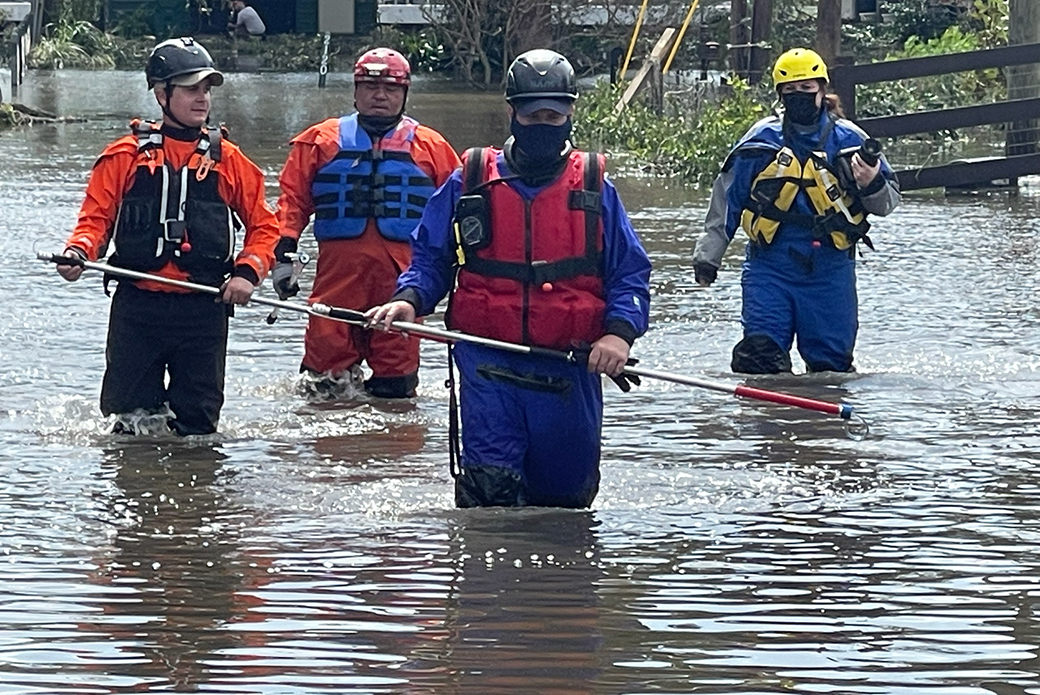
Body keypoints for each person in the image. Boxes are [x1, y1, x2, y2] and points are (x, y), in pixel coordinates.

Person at [368, 49, 652, 509]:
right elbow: (430, 259)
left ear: (569, 114)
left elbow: (630, 275)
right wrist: (409, 300)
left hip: (568, 368)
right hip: (487, 366)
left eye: (553, 115)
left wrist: (619, 336)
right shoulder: (469, 181)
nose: (543, 123)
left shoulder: (596, 187)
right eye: (532, 113)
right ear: (512, 112)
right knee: (488, 500)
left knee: (565, 506)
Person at [56, 37, 280, 435]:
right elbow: (95, 219)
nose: (202, 99)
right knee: (128, 424)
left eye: (206, 90)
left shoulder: (230, 161)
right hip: (138, 309)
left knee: (197, 431)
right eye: (191, 89)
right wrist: (78, 251)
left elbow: (266, 228)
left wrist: (248, 273)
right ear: (162, 94)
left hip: (203, 311)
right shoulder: (124, 156)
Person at [693, 47, 900, 374]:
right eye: (790, 91)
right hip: (769, 266)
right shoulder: (760, 140)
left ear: (822, 90)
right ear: (780, 95)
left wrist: (871, 181)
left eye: (806, 88)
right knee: (759, 361)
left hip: (830, 269)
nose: (799, 96)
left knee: (830, 370)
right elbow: (727, 199)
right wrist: (708, 258)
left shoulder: (850, 139)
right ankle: (770, 424)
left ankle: (817, 427)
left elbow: (887, 203)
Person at [276, 47, 460, 398]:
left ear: (404, 94)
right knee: (324, 385)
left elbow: (459, 214)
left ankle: (388, 448)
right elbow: (291, 202)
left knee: (396, 388)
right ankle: (333, 451)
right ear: (356, 90)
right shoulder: (319, 141)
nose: (380, 95)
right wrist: (283, 255)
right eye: (371, 86)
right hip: (337, 278)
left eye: (390, 88)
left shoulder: (433, 147)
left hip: (401, 282)